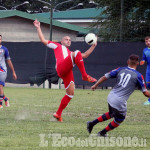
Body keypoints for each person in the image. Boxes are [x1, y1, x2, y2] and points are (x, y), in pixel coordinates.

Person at [33, 19, 97, 122]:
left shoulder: (70, 52)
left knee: (70, 94)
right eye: (66, 39)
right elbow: (43, 40)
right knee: (77, 52)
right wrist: (38, 27)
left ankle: (58, 114)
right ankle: (84, 76)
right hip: (61, 67)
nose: (68, 40)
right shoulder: (57, 46)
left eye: (69, 40)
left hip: (67, 72)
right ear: (62, 41)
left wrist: (93, 46)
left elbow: (84, 55)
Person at [87, 54, 150, 137]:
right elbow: (145, 93)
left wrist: (95, 85)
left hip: (111, 96)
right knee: (120, 119)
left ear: (128, 62)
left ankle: (92, 123)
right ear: (138, 63)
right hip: (119, 101)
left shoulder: (120, 69)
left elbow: (105, 76)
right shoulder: (139, 76)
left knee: (112, 113)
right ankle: (102, 133)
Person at [0, 35, 17, 108]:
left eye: (0, 39)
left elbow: (9, 61)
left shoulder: (4, 49)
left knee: (0, 86)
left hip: (2, 70)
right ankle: (6, 99)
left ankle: (0, 104)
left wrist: (13, 72)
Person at [140, 36, 150, 105]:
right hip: (148, 69)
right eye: (146, 41)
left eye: (149, 41)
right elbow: (144, 59)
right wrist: (142, 62)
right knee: (148, 84)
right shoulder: (145, 50)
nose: (148, 42)